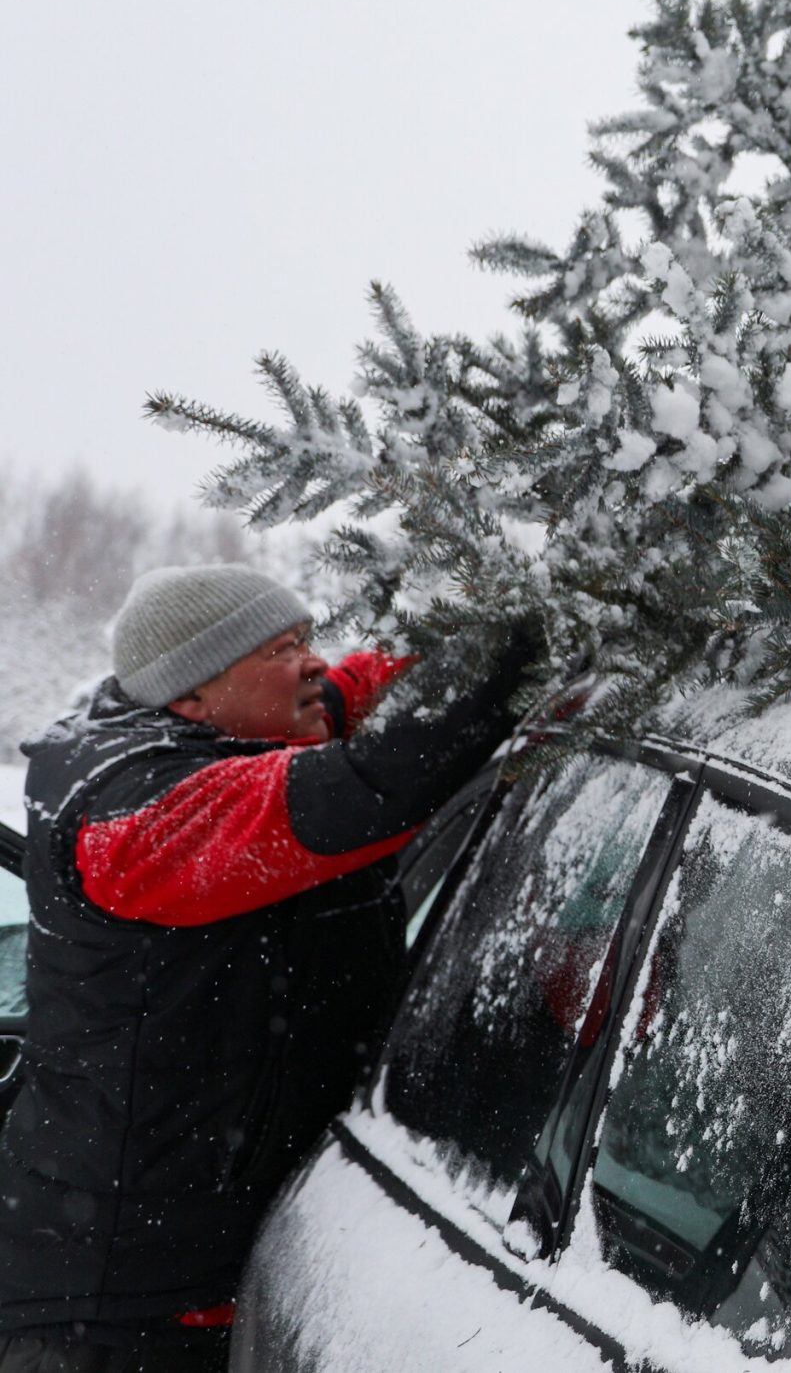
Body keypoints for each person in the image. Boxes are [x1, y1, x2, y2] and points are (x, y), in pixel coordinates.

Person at [0, 564, 536, 1371]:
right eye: (284, 648)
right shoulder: (142, 819)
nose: (318, 662)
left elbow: (361, 687)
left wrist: (507, 589)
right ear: (192, 697)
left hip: (206, 1273)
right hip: (115, 1312)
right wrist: (534, 633)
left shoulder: (226, 722)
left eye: (306, 637)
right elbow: (372, 790)